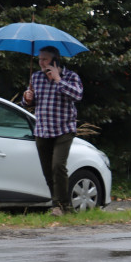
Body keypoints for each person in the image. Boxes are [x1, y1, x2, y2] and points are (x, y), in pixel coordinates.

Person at [22, 46, 83, 216]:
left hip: (64, 128)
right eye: (39, 59)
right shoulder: (36, 77)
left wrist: (58, 79)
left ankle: (60, 205)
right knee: (47, 169)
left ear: (55, 60)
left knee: (58, 166)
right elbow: (27, 103)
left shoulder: (71, 76)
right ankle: (60, 205)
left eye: (45, 59)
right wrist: (27, 99)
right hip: (42, 129)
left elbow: (78, 96)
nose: (41, 63)